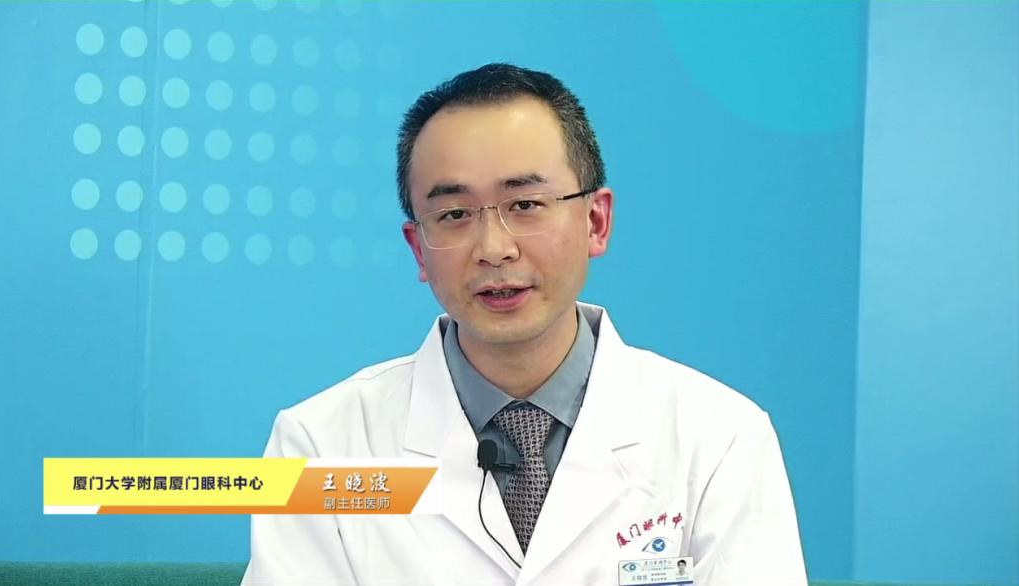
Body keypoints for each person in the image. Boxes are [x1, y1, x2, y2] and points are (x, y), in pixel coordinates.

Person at [241, 63, 808, 586]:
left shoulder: (719, 436)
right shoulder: (321, 446)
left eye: (526, 205)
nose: (494, 248)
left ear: (596, 221)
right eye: (454, 214)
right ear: (419, 248)